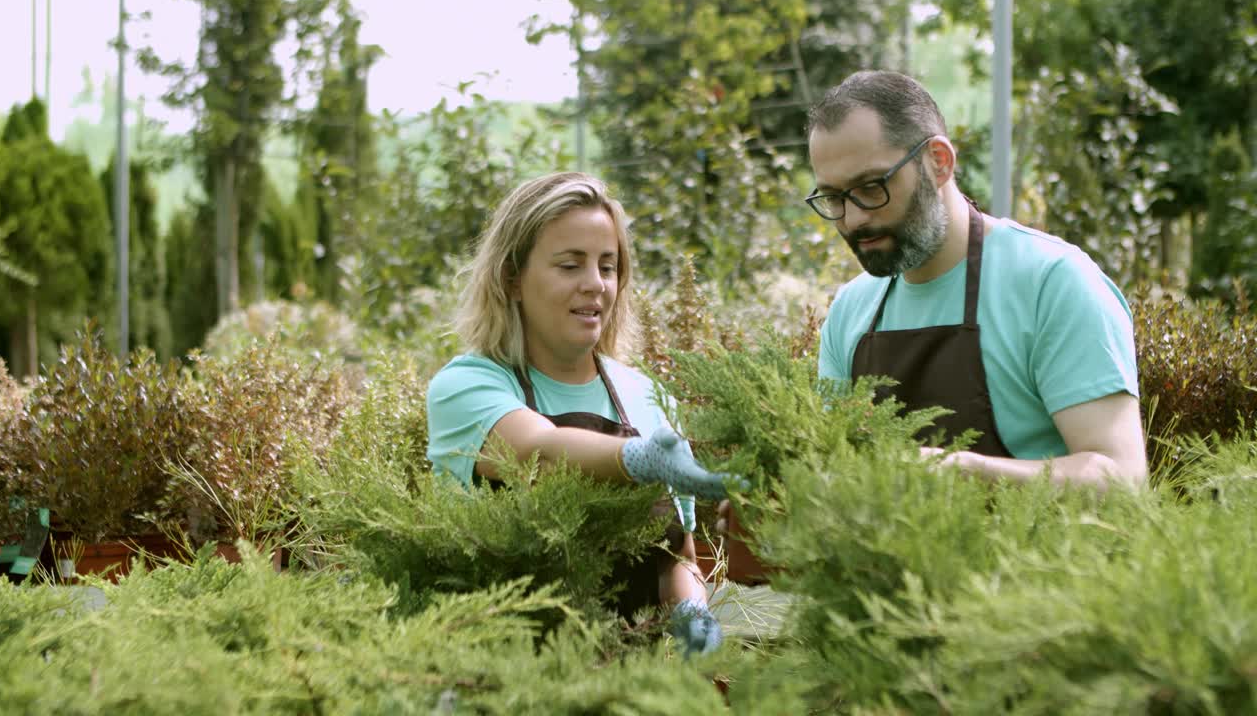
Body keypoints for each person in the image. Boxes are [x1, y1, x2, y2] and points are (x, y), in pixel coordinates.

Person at [426, 171, 732, 656]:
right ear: (513, 279)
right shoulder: (468, 386)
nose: (595, 285)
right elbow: (534, 452)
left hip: (632, 687)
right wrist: (638, 459)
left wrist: (691, 609)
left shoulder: (648, 398)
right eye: (570, 265)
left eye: (607, 267)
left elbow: (678, 556)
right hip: (505, 683)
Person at [804, 70, 1147, 490]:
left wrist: (964, 473)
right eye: (834, 198)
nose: (854, 219)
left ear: (939, 162)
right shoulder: (850, 312)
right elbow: (834, 476)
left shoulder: (1051, 283)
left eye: (872, 187)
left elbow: (1122, 479)